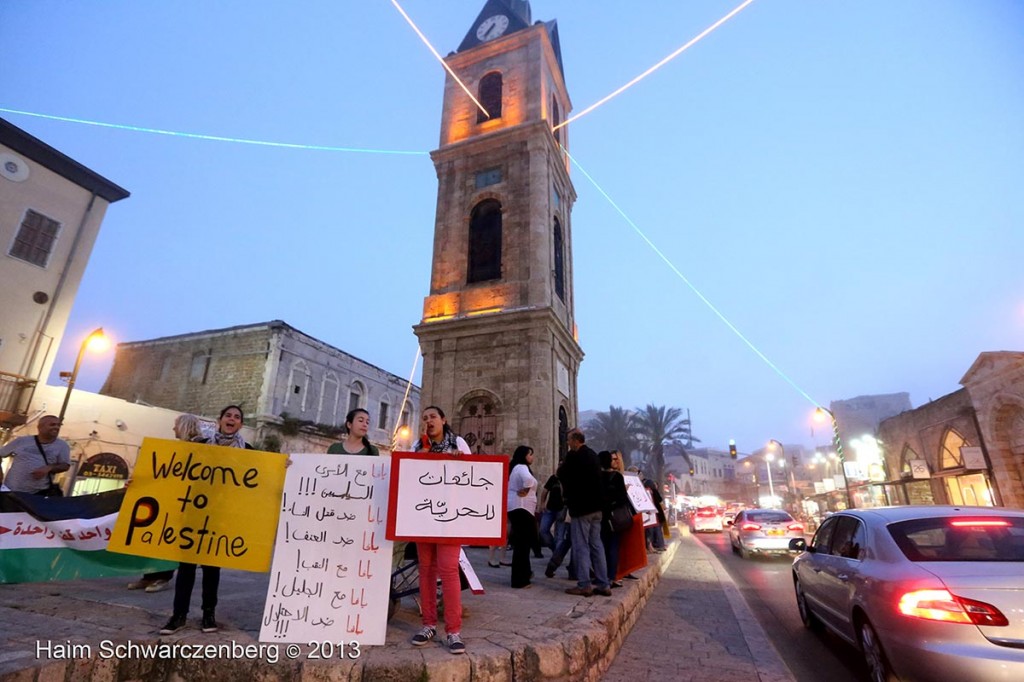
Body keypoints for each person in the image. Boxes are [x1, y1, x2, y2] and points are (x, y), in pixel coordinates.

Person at [160, 405, 253, 636]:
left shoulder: (250, 452)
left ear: (240, 424)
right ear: (219, 420)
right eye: (228, 415)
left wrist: (284, 467)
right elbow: (176, 473)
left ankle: (208, 613)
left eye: (237, 417)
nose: (232, 419)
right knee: (186, 567)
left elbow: (262, 481)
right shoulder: (200, 446)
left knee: (212, 568)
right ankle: (178, 614)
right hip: (194, 512)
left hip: (221, 516)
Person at [410, 406, 471, 655]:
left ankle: (453, 630)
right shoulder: (416, 446)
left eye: (433, 416)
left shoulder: (458, 443)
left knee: (448, 571)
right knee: (425, 571)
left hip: (450, 517)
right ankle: (428, 625)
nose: (428, 420)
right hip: (424, 516)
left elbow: (472, 474)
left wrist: (460, 460)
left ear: (444, 420)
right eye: (424, 418)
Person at [127, 414, 205, 593]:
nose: (173, 429)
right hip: (166, 500)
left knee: (168, 541)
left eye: (176, 425)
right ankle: (148, 576)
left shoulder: (201, 447)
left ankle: (163, 577)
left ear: (184, 427)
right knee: (155, 539)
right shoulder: (175, 448)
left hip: (184, 503)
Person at [557, 429, 611, 597]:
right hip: (597, 509)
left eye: (568, 440)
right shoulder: (593, 455)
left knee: (581, 546)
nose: (567, 443)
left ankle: (584, 585)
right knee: (596, 545)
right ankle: (603, 584)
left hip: (582, 508)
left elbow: (561, 474)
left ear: (575, 440)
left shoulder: (574, 456)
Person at [0, 415, 70, 496]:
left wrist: (49, 468)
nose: (56, 427)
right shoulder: (21, 441)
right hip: (11, 490)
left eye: (58, 425)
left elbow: (65, 466)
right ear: (40, 427)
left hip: (38, 493)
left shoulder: (62, 445)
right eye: (52, 425)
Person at [506, 445, 538, 589]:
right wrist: (526, 490)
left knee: (523, 544)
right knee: (522, 545)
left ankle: (525, 574)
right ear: (524, 455)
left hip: (519, 508)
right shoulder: (521, 467)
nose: (532, 457)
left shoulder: (516, 468)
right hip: (522, 508)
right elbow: (529, 481)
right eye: (530, 454)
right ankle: (519, 579)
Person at [599, 450, 631, 588]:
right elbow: (622, 498)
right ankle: (612, 577)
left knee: (601, 547)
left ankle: (602, 576)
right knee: (613, 547)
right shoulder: (617, 477)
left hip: (600, 516)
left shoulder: (597, 477)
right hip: (614, 518)